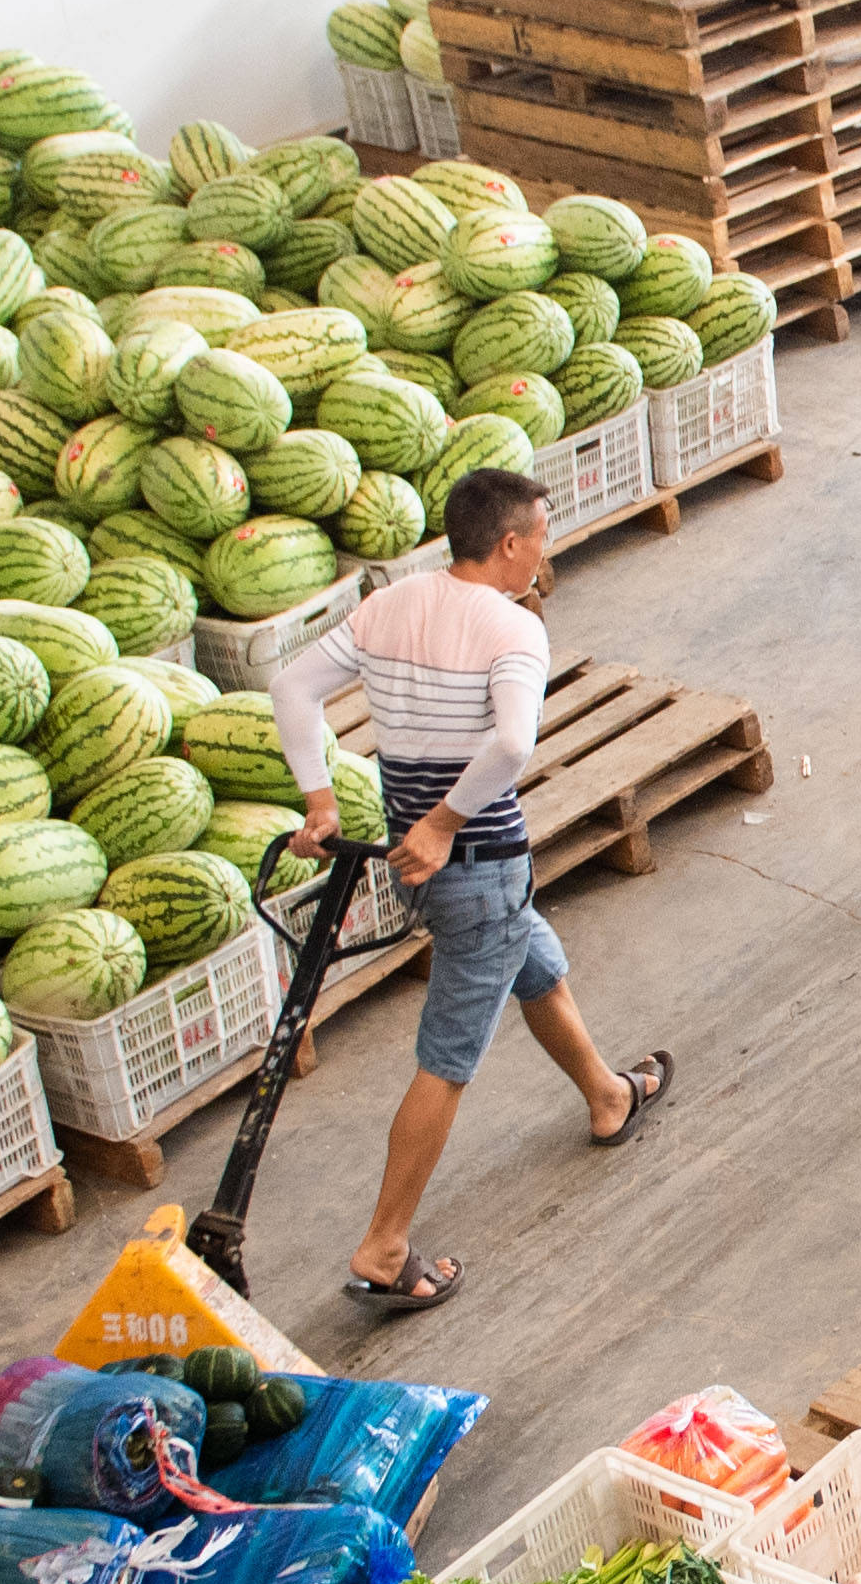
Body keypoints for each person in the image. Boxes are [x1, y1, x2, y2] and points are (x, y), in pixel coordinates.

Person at [264, 464, 669, 1315]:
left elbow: (291, 686)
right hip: (473, 864)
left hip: (428, 868)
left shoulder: (392, 604)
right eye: (543, 537)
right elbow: (514, 745)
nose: (545, 554)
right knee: (447, 1060)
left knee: (537, 962)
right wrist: (448, 822)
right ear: (511, 542)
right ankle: (383, 1245)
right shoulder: (512, 631)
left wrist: (321, 799)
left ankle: (606, 1095)